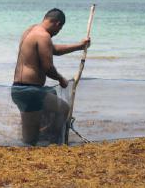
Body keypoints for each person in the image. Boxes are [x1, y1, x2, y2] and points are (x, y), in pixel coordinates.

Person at [12, 8, 91, 145]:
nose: (57, 33)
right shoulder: (44, 36)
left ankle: (44, 139)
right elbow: (47, 67)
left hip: (19, 90)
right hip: (31, 92)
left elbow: (53, 50)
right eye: (59, 29)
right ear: (57, 23)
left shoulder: (31, 30)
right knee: (62, 109)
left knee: (29, 136)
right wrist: (61, 79)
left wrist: (80, 46)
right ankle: (51, 141)